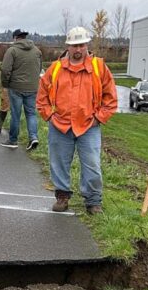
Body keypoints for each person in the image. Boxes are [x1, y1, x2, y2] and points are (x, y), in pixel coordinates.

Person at [36, 26, 117, 214]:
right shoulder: (56, 69)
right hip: (60, 125)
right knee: (58, 163)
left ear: (87, 45)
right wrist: (48, 115)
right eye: (74, 46)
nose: (78, 50)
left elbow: (110, 97)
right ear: (68, 47)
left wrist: (99, 118)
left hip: (89, 125)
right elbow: (41, 96)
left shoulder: (98, 67)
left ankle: (93, 201)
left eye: (81, 45)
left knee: (92, 164)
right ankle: (62, 197)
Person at [0, 29, 43, 150]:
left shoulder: (12, 50)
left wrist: (5, 83)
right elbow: (39, 68)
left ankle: (13, 140)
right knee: (31, 114)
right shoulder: (37, 51)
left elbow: (5, 69)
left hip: (16, 88)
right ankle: (33, 137)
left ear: (15, 38)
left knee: (15, 114)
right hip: (32, 87)